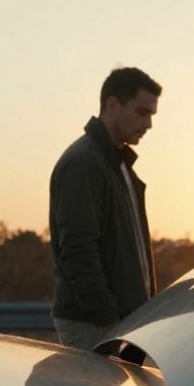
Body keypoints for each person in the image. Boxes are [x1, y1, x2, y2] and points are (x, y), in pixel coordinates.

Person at [49, 66, 161, 350]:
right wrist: (106, 319)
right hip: (95, 326)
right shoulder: (84, 162)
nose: (148, 125)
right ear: (113, 105)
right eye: (142, 112)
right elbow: (77, 248)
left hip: (121, 323)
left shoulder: (118, 165)